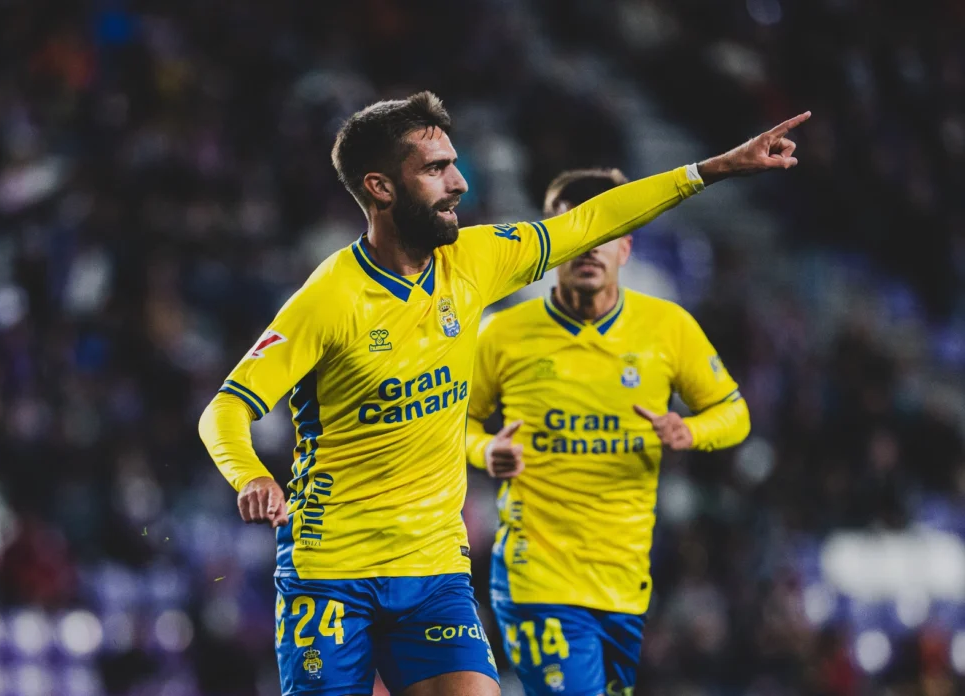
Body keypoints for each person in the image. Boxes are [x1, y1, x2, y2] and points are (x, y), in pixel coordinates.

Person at [198, 90, 807, 696]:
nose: (459, 183)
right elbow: (224, 408)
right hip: (332, 571)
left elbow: (588, 222)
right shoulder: (329, 299)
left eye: (455, 164)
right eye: (436, 170)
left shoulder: (474, 260)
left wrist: (713, 169)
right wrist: (250, 475)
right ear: (380, 188)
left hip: (434, 568)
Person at [466, 167, 752, 696]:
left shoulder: (668, 328)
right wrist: (485, 451)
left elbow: (734, 413)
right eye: (576, 231)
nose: (590, 247)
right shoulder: (503, 333)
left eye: (607, 232)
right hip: (536, 575)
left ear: (626, 246)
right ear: (550, 247)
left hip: (624, 581)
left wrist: (691, 431)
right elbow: (453, 425)